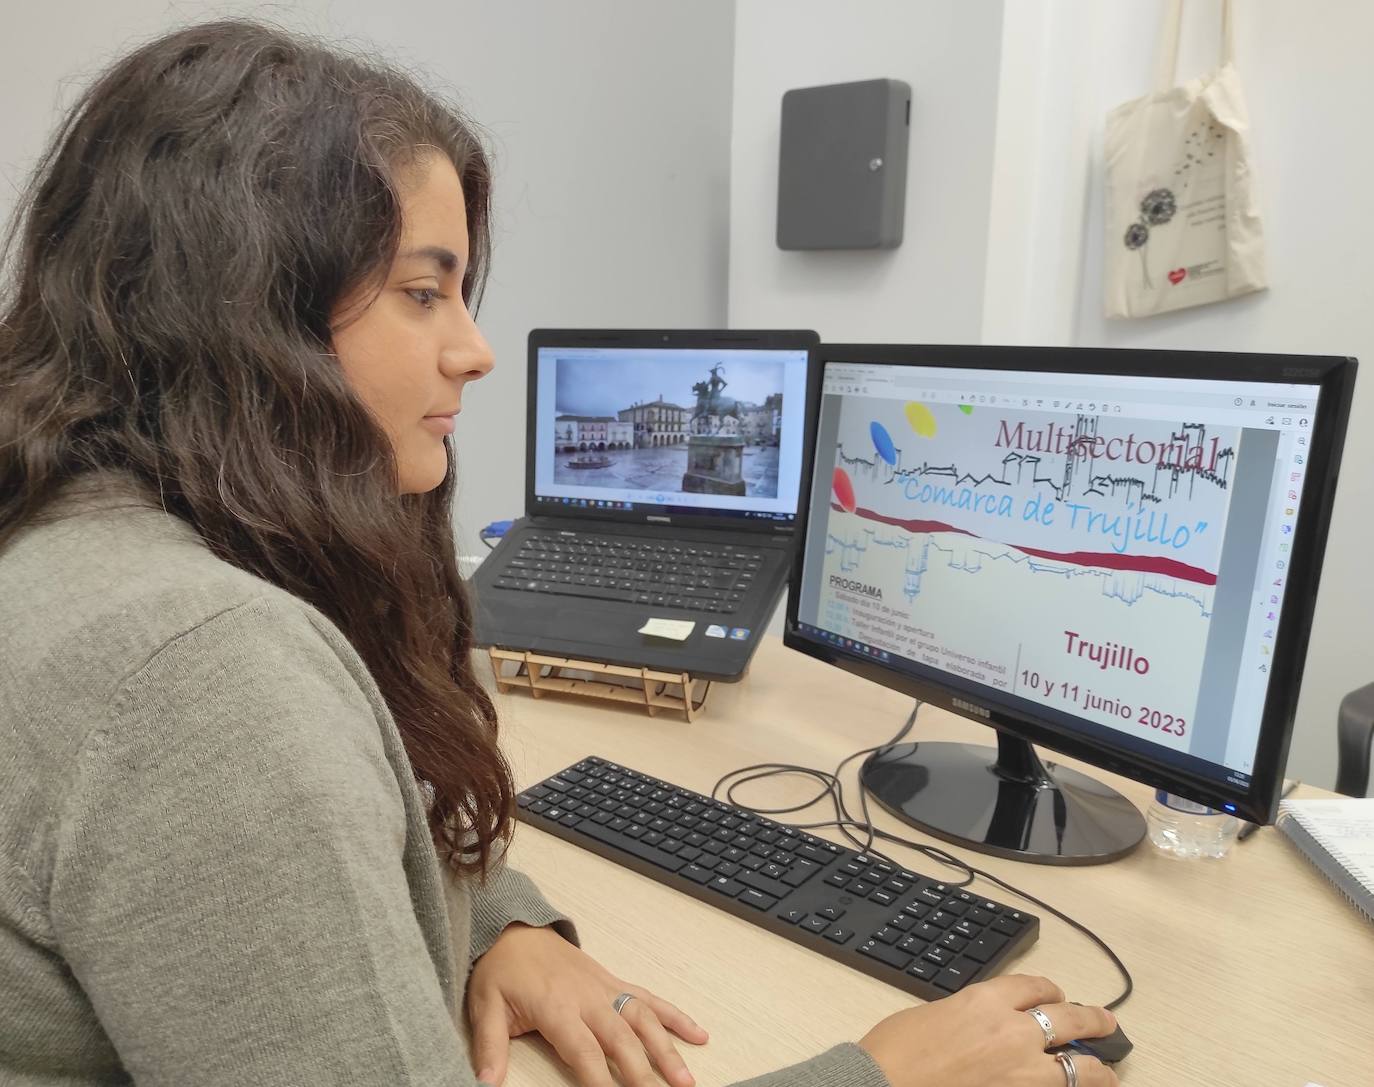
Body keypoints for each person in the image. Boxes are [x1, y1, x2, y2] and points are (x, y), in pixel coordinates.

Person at [0, 19, 1122, 1087]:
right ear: (247, 312)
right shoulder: (206, 670)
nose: (477, 350)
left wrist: (503, 921)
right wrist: (883, 1074)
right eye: (424, 292)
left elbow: (337, 832)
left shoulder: (93, 535)